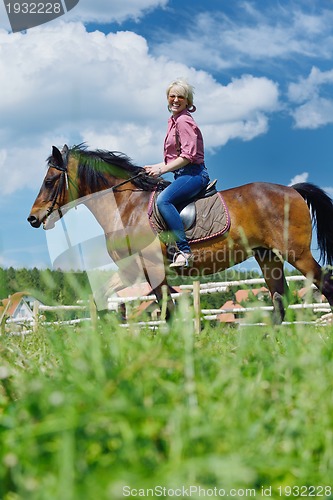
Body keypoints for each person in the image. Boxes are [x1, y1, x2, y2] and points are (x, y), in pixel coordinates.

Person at [144, 79, 210, 267]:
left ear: (187, 101)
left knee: (163, 200)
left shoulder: (183, 120)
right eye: (172, 96)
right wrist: (153, 167)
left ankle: (184, 251)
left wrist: (161, 170)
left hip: (194, 174)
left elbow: (188, 156)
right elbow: (174, 157)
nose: (175, 100)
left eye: (180, 96)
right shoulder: (173, 121)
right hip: (182, 174)